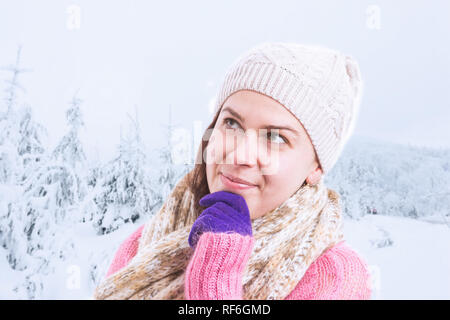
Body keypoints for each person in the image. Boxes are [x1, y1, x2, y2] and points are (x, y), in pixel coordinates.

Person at [93, 42, 372, 300]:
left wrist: (218, 271)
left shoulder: (335, 275)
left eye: (275, 137)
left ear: (316, 167)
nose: (240, 154)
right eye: (232, 124)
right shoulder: (146, 244)